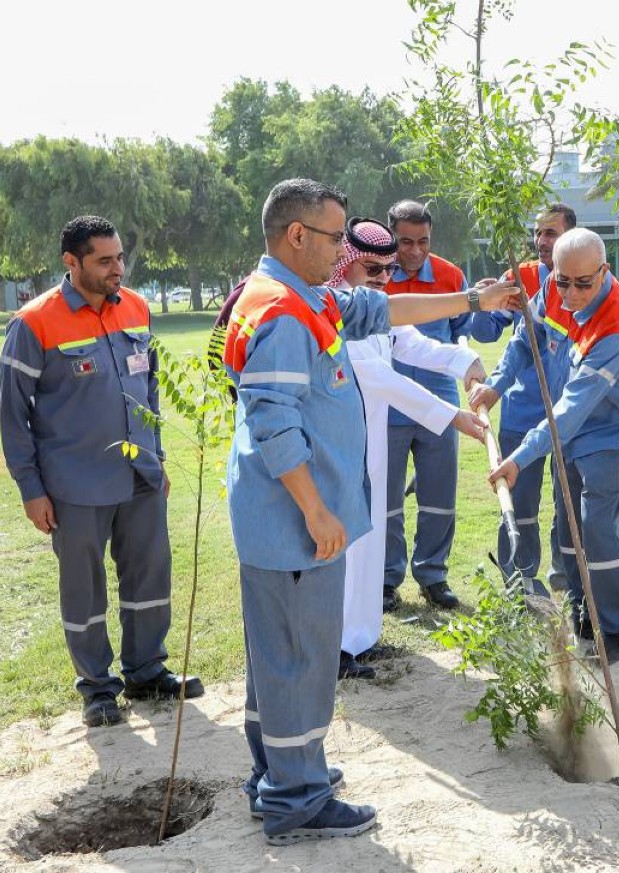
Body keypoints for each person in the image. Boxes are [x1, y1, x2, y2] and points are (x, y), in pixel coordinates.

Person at [223, 178, 516, 845]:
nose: (342, 252)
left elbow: (384, 312)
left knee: (277, 657)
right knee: (301, 658)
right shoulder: (283, 313)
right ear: (297, 235)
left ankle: (276, 776)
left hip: (283, 515)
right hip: (294, 518)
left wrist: (473, 300)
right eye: (333, 238)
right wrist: (317, 511)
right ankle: (297, 800)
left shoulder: (302, 296)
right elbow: (274, 423)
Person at [1, 215, 203, 729]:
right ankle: (97, 688)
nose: (119, 268)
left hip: (141, 479)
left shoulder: (135, 307)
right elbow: (12, 415)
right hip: (74, 486)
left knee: (150, 575)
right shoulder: (33, 322)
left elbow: (151, 389)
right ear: (72, 263)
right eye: (105, 261)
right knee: (83, 589)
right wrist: (31, 489)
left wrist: (155, 456)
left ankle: (147, 670)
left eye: (120, 258)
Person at [487, 228, 619, 662]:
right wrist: (496, 385)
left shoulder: (618, 325)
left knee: (595, 527)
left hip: (612, 432)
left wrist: (520, 458)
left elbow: (569, 412)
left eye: (584, 283)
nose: (571, 293)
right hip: (573, 427)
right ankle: (585, 611)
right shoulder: (553, 285)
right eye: (564, 281)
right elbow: (525, 338)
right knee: (567, 529)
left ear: (605, 272)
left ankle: (618, 632)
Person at [330, 218, 487, 680]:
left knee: (372, 535)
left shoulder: (373, 309)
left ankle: (361, 638)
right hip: (342, 445)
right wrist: (452, 415)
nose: (383, 279)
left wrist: (465, 361)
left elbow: (412, 342)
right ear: (346, 265)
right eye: (373, 270)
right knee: (348, 545)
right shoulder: (335, 313)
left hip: (372, 443)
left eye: (387, 270)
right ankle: (335, 645)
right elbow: (383, 379)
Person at [469, 204, 574, 587]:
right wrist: (481, 302)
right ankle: (519, 580)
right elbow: (487, 334)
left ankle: (566, 576)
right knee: (520, 502)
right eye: (538, 232)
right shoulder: (521, 275)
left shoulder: (583, 278)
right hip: (521, 411)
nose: (542, 240)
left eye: (551, 232)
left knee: (570, 504)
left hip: (569, 413)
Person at [380, 200, 473, 611]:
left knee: (439, 495)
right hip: (389, 404)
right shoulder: (375, 275)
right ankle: (385, 578)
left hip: (440, 403)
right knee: (386, 499)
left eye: (423, 242)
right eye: (405, 242)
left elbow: (468, 331)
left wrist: (496, 308)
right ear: (390, 238)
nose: (414, 251)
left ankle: (433, 575)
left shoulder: (451, 275)